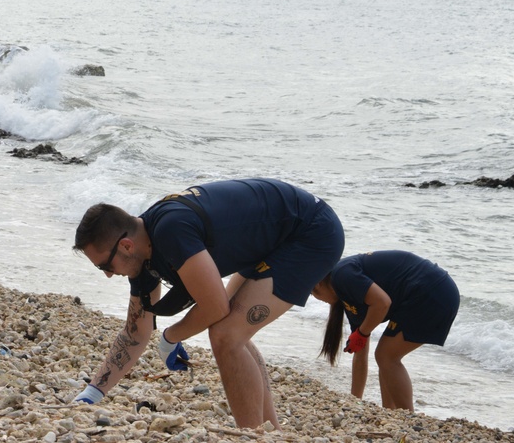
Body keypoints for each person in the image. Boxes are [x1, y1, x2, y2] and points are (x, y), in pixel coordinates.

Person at [71, 178, 345, 430]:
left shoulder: (170, 231)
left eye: (105, 265)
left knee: (226, 334)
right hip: (273, 239)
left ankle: (252, 435)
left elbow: (215, 307)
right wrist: (92, 392)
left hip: (310, 231)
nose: (108, 274)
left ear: (127, 246)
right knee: (231, 330)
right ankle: (267, 431)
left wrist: (171, 336)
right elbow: (135, 333)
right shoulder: (143, 254)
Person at [311, 249, 460, 411]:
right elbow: (360, 353)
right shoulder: (348, 297)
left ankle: (406, 418)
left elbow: (383, 302)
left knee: (386, 356)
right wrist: (354, 401)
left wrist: (362, 333)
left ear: (318, 283)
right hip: (427, 292)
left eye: (312, 293)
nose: (318, 299)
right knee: (386, 356)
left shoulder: (341, 275)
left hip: (432, 291)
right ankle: (389, 412)